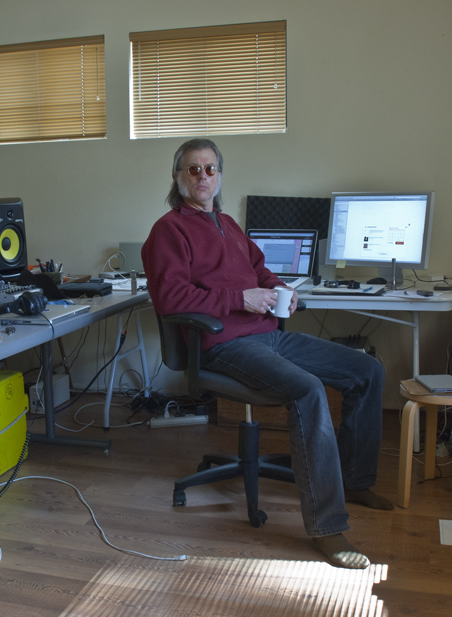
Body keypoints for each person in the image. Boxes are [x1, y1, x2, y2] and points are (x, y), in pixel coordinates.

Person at [141, 138, 392, 569]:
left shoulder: (229, 224)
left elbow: (259, 270)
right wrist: (242, 299)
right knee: (307, 390)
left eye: (210, 168)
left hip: (269, 335)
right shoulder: (169, 230)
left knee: (367, 370)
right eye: (193, 169)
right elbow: (171, 298)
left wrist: (280, 290)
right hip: (223, 344)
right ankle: (328, 527)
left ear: (220, 175)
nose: (203, 176)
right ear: (178, 177)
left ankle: (354, 481)